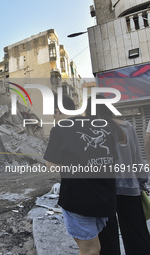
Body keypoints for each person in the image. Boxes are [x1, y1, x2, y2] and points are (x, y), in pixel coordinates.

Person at [43, 95, 117, 255]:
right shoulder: (100, 124)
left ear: (57, 111)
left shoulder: (60, 129)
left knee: (90, 249)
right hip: (105, 196)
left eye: (53, 115)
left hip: (80, 198)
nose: (54, 119)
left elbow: (52, 166)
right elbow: (113, 159)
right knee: (96, 243)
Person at [95, 100, 150, 255]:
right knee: (137, 233)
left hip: (104, 191)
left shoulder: (91, 130)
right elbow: (137, 160)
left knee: (107, 238)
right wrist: (142, 183)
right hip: (130, 187)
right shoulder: (127, 126)